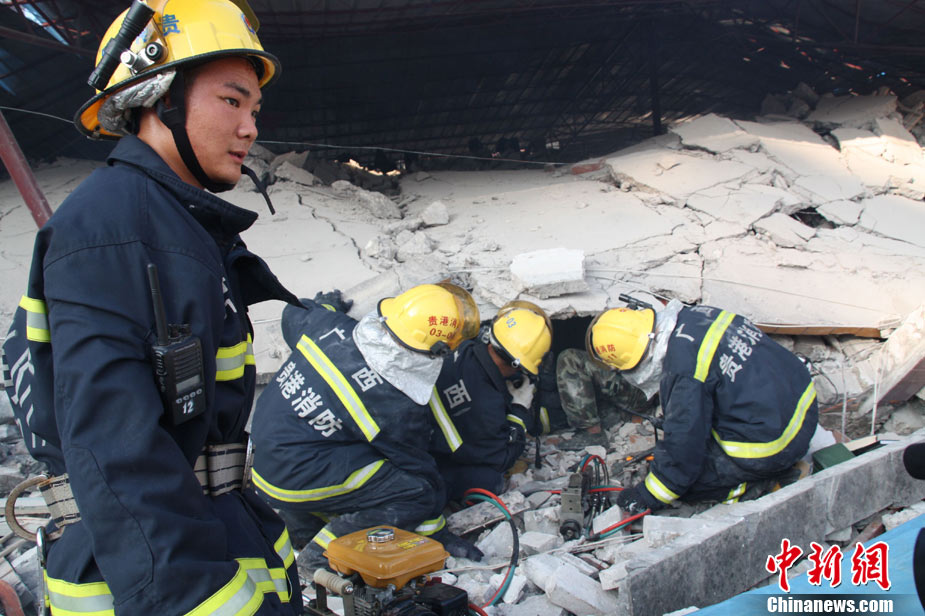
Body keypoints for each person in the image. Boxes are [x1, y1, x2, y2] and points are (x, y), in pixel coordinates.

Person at [0, 2, 303, 614]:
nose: (249, 128)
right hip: (154, 571)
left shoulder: (171, 225)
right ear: (158, 98)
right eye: (231, 100)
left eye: (254, 110)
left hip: (207, 528)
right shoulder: (113, 230)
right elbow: (117, 452)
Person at [249, 283, 485, 575]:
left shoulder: (331, 326)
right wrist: (436, 532)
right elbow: (419, 472)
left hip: (262, 455)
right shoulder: (395, 401)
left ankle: (300, 523)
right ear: (436, 350)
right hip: (290, 477)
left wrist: (328, 307)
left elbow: (293, 313)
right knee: (416, 492)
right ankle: (322, 556)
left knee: (342, 449)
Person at [583, 299, 818, 512]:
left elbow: (683, 451)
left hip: (776, 443)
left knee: (689, 485)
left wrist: (647, 495)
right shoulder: (695, 315)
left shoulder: (684, 372)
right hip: (802, 405)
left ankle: (762, 485)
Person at [429, 301, 552, 503]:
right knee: (489, 479)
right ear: (518, 365)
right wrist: (519, 411)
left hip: (417, 433)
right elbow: (502, 458)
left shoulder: (464, 347)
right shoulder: (487, 407)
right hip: (431, 461)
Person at [555, 347, 658, 450]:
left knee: (569, 358)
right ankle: (608, 415)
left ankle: (593, 433)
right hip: (633, 389)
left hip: (639, 387)